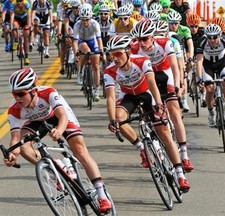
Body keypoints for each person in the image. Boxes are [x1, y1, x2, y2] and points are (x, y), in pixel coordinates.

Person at [3, 67, 112, 213]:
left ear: (33, 90)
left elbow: (63, 117)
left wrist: (59, 131)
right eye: (14, 94)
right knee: (23, 145)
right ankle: (55, 168)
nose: (17, 98)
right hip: (37, 121)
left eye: (21, 94)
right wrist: (12, 155)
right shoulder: (14, 110)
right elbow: (15, 140)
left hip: (58, 116)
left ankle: (101, 195)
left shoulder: (48, 93)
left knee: (79, 150)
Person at [104, 35, 191, 192]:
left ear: (128, 52)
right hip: (129, 97)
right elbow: (110, 97)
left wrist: (159, 104)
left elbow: (152, 83)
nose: (115, 58)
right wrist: (112, 120)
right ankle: (141, 148)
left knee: (163, 133)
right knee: (119, 119)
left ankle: (180, 174)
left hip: (146, 93)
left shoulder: (141, 61)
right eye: (112, 54)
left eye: (118, 54)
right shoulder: (109, 71)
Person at [131, 18, 194, 172]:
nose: (142, 43)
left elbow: (174, 66)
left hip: (165, 75)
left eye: (145, 39)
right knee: (147, 114)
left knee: (174, 111)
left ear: (152, 37)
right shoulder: (134, 48)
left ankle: (184, 155)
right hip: (148, 79)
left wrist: (178, 85)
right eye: (138, 39)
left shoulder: (165, 43)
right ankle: (156, 146)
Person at [195, 24, 225, 129]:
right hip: (208, 64)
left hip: (222, 63)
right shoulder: (201, 42)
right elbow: (199, 61)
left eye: (215, 37)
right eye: (209, 37)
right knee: (209, 90)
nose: (212, 39)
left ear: (219, 35)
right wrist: (199, 78)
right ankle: (211, 113)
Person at [72, 3, 104, 101]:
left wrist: (101, 51)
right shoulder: (77, 25)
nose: (85, 22)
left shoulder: (95, 24)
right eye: (83, 19)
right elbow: (75, 41)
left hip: (93, 41)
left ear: (90, 18)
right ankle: (80, 71)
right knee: (85, 49)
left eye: (87, 19)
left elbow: (99, 40)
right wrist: (76, 53)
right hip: (82, 42)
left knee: (96, 66)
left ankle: (96, 90)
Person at [167, 10, 194, 113]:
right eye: (171, 23)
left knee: (183, 72)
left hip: (182, 51)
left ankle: (184, 99)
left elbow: (190, 44)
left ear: (179, 23)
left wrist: (190, 57)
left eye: (176, 23)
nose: (173, 25)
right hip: (170, 51)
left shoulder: (185, 29)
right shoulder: (165, 31)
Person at [186, 12, 207, 107]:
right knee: (189, 64)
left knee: (202, 71)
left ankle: (203, 96)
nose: (193, 29)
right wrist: (189, 59)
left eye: (195, 26)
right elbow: (185, 48)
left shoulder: (203, 32)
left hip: (200, 53)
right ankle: (185, 76)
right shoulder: (186, 32)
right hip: (190, 52)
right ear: (188, 26)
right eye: (191, 27)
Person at [10, 0, 31, 65]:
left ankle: (26, 56)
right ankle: (16, 41)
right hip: (17, 18)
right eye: (17, 1)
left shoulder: (26, 3)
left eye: (20, 1)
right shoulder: (13, 4)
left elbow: (29, 15)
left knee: (26, 36)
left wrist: (29, 25)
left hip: (25, 18)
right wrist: (11, 25)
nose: (19, 3)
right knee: (14, 26)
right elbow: (12, 15)